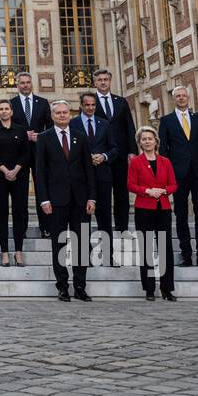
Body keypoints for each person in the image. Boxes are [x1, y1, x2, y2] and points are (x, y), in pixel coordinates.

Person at [34, 100, 96, 302]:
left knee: (82, 244)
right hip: (56, 201)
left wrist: (91, 197)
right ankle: (62, 286)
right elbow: (40, 173)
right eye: (58, 113)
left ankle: (80, 286)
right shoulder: (44, 138)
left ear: (70, 114)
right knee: (59, 244)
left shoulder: (81, 137)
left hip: (80, 200)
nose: (62, 115)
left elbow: (89, 170)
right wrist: (43, 200)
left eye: (65, 112)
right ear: (52, 116)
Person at [158, 86, 198, 267]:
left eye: (184, 96)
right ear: (174, 99)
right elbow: (163, 151)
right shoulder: (166, 121)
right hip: (177, 174)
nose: (181, 98)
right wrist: (165, 176)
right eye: (178, 96)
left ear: (188, 98)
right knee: (181, 214)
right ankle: (186, 254)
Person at [128, 126, 178, 301]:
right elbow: (131, 185)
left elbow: (173, 184)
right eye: (144, 139)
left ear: (156, 141)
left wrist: (163, 191)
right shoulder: (136, 162)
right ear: (139, 142)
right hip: (144, 209)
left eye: (150, 138)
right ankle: (149, 289)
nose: (147, 141)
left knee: (165, 249)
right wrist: (148, 191)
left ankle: (166, 288)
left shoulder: (165, 161)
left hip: (163, 209)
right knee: (147, 249)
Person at [93, 69, 137, 233]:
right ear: (95, 82)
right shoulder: (91, 102)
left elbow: (129, 127)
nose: (103, 82)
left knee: (121, 192)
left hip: (120, 153)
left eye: (105, 79)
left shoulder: (121, 101)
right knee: (101, 193)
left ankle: (122, 225)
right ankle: (103, 226)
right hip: (100, 155)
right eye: (99, 80)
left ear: (110, 81)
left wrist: (132, 151)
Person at [0, 100, 28, 267]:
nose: (4, 111)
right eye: (1, 109)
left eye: (6, 109)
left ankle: (18, 252)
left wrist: (15, 171)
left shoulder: (21, 130)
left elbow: (26, 153)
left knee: (19, 213)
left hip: (20, 176)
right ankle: (4, 253)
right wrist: (6, 171)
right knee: (2, 214)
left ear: (11, 111)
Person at [77, 92, 118, 266]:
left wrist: (104, 156)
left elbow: (115, 148)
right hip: (81, 178)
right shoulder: (73, 123)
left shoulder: (105, 124)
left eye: (93, 105)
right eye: (87, 105)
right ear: (81, 105)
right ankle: (86, 256)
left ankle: (108, 255)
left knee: (105, 217)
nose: (90, 107)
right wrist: (86, 158)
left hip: (102, 175)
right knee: (83, 218)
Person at [10, 71, 52, 237]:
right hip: (18, 154)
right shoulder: (11, 103)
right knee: (20, 193)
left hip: (39, 152)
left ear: (31, 83)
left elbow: (50, 127)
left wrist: (39, 137)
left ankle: (46, 227)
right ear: (17, 85)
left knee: (42, 189)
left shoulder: (42, 103)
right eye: (22, 83)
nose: (25, 85)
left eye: (28, 82)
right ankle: (22, 229)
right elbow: (9, 128)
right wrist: (22, 135)